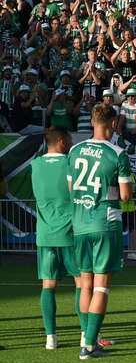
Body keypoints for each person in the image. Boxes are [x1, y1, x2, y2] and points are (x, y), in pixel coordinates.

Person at [68, 103, 132, 360]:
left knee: (85, 283)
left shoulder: (74, 150)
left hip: (80, 222)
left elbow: (71, 189)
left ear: (92, 121)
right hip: (105, 221)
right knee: (101, 286)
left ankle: (86, 337)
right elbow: (126, 197)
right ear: (113, 123)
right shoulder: (117, 153)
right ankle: (90, 346)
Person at [31, 127, 81, 350]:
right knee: (82, 282)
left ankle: (50, 337)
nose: (70, 143)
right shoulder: (70, 163)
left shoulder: (36, 164)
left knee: (48, 285)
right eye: (69, 139)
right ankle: (86, 334)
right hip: (70, 231)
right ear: (61, 141)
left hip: (45, 233)